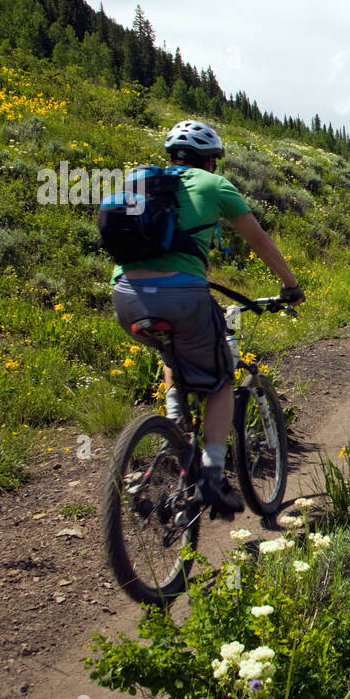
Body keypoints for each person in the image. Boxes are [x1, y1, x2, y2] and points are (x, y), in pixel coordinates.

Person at [111, 120, 304, 517]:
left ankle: (175, 428)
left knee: (171, 355)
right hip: (183, 296)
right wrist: (290, 286)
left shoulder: (141, 183)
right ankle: (213, 474)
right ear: (211, 160)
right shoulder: (214, 185)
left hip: (125, 295)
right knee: (220, 382)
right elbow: (260, 241)